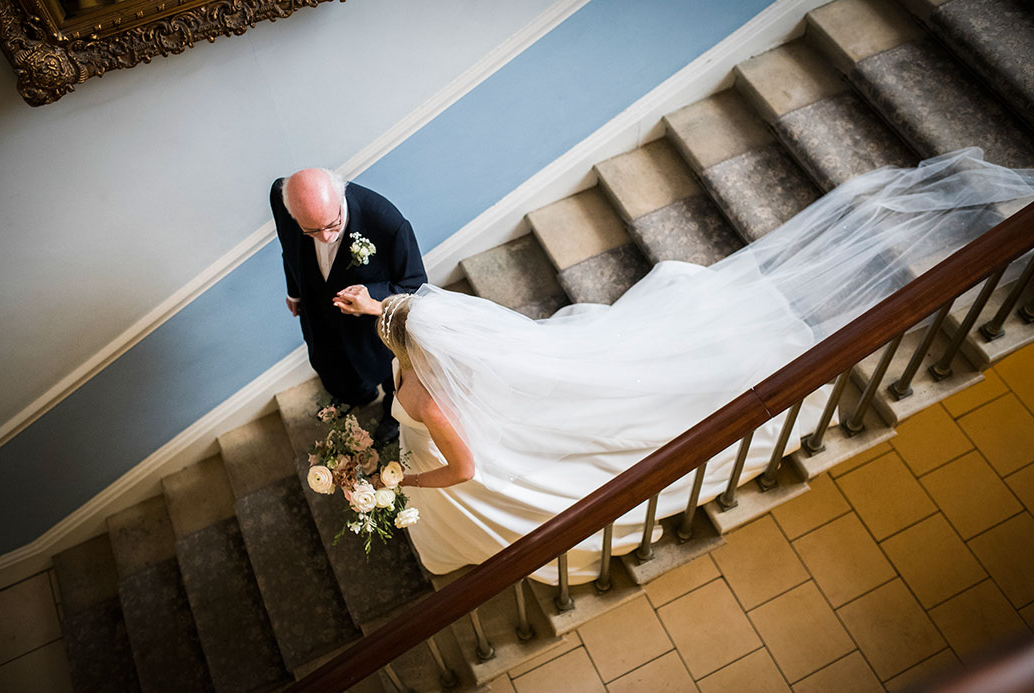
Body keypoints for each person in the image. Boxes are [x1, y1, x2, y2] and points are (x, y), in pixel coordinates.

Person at [369, 149, 1034, 585]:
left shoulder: (428, 399)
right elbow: (424, 331)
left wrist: (407, 479)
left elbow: (466, 471)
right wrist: (375, 310)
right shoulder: (454, 350)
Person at [271, 168, 427, 443]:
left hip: (373, 331)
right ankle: (355, 396)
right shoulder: (280, 197)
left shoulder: (387, 222)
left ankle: (393, 415)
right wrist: (294, 293)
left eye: (333, 225)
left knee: (391, 377)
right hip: (318, 313)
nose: (325, 237)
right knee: (330, 365)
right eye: (311, 230)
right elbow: (288, 247)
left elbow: (414, 288)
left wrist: (371, 299)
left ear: (340, 195)